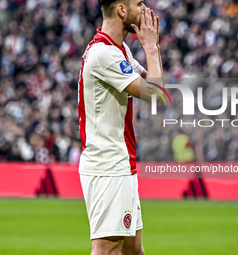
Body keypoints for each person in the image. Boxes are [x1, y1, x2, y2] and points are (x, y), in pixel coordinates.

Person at [78, 0, 163, 254]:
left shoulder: (120, 50)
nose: (145, 8)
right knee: (107, 250)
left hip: (122, 164)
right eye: (139, 3)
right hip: (107, 166)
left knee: (133, 250)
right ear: (122, 10)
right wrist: (150, 46)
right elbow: (155, 94)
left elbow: (156, 86)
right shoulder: (104, 54)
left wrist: (151, 48)